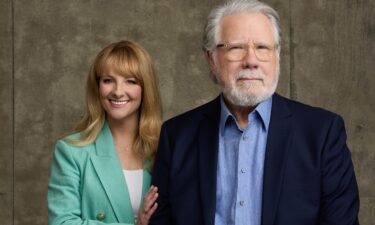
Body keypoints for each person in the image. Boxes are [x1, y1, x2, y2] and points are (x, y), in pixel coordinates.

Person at [150, 0, 360, 225]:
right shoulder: (177, 136)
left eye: (262, 47)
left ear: (277, 56)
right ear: (211, 59)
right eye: (236, 48)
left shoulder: (323, 133)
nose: (251, 61)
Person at [48, 40, 161, 225]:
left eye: (130, 81)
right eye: (108, 80)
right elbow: (62, 222)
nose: (117, 91)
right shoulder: (71, 151)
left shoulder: (166, 148)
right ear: (97, 86)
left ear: (146, 88)